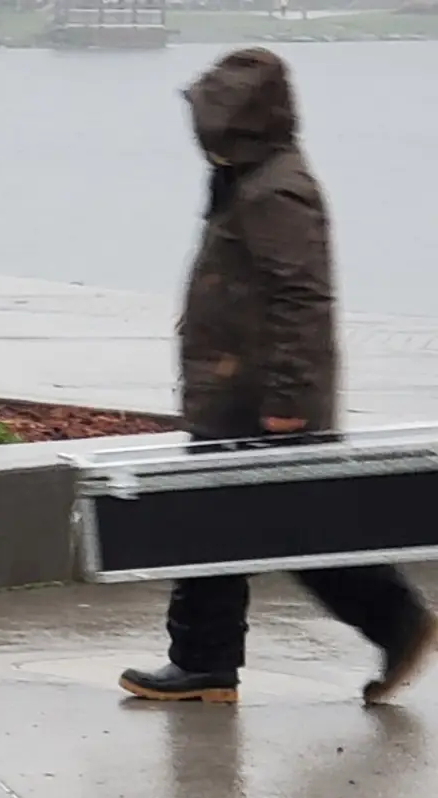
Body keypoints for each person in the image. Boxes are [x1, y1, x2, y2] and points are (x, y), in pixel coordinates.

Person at [119, 47, 437, 707]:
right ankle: (205, 663)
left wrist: (289, 401)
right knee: (221, 529)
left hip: (261, 400)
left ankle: (398, 621)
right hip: (237, 393)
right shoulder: (248, 177)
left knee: (291, 530)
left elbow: (304, 298)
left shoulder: (277, 188)